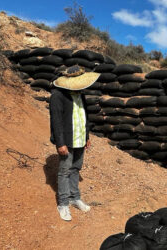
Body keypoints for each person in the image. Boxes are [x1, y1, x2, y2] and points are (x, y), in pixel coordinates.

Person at [49, 65, 100, 221]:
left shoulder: (80, 94)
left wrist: (87, 137)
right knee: (64, 171)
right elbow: (56, 121)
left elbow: (84, 116)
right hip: (67, 140)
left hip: (80, 138)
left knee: (76, 168)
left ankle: (74, 198)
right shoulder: (58, 96)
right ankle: (63, 203)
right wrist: (60, 143)